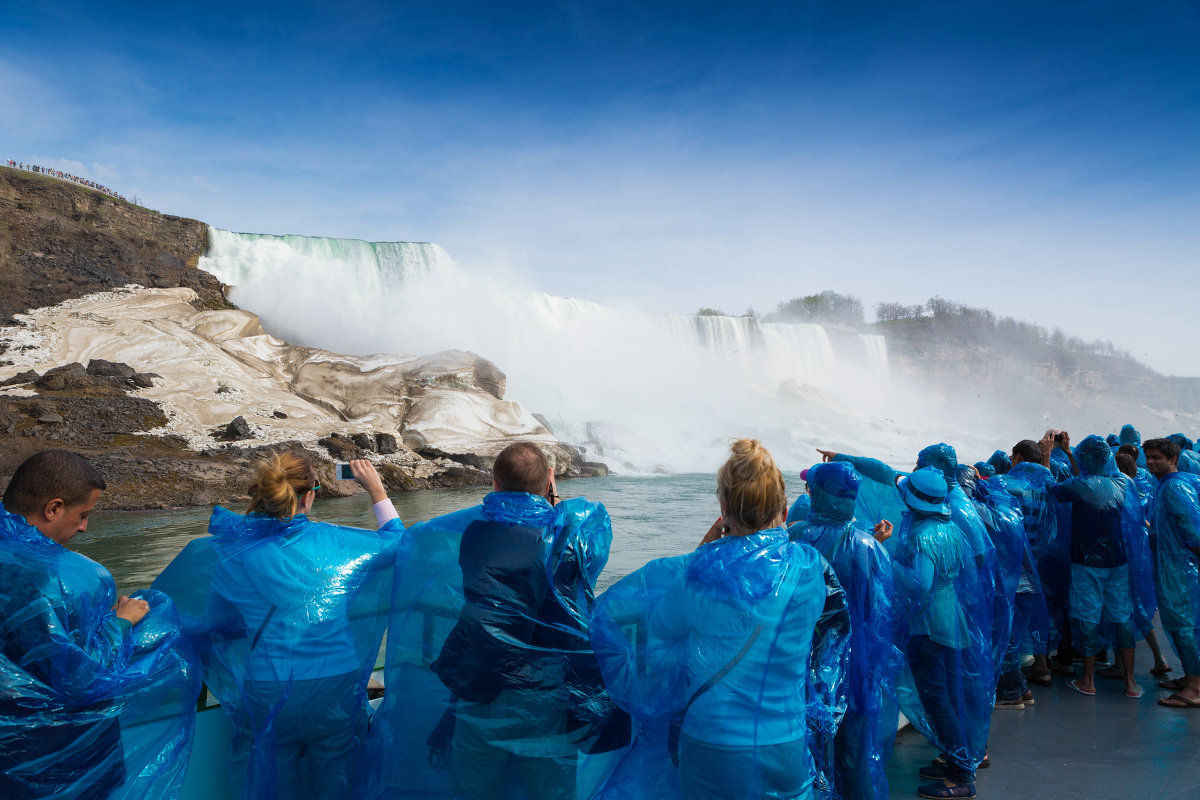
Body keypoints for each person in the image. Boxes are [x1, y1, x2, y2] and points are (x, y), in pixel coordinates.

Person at [590, 439, 850, 800]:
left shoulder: (698, 577)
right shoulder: (808, 568)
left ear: (723, 507)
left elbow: (661, 628)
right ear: (784, 506)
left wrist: (704, 553)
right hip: (784, 740)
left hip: (712, 740)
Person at [363, 441, 615, 800]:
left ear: (494, 485)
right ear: (549, 480)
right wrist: (552, 501)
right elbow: (589, 530)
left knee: (473, 783)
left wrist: (377, 493)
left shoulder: (476, 537)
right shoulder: (571, 543)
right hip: (547, 690)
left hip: (483, 683)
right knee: (551, 788)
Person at [154, 453, 402, 800]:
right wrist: (375, 488)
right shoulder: (340, 542)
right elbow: (399, 543)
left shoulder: (231, 554)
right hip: (336, 685)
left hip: (267, 687)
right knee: (339, 777)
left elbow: (218, 622)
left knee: (276, 782)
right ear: (310, 495)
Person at [0, 450, 198, 800]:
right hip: (66, 760)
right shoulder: (67, 576)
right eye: (83, 515)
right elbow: (83, 677)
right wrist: (120, 622)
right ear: (53, 508)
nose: (84, 527)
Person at [789, 461, 898, 800]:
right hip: (856, 661)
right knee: (853, 751)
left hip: (801, 657)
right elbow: (880, 614)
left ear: (817, 494)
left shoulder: (793, 537)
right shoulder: (868, 547)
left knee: (808, 749)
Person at [890, 466, 993, 799]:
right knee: (948, 695)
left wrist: (886, 559)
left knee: (938, 701)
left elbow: (920, 585)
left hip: (930, 625)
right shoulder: (948, 528)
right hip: (951, 618)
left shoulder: (922, 536)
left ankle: (961, 775)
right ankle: (954, 759)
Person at [1048, 434, 1154, 700]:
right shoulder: (1123, 482)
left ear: (1084, 459)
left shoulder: (1078, 485)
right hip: (1119, 561)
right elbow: (1098, 477)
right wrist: (1071, 454)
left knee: (1087, 617)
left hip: (1086, 562)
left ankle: (1088, 680)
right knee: (1122, 616)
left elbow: (1051, 488)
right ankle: (1130, 683)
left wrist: (1049, 453)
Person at [1142, 438, 1200, 708]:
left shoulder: (1174, 487)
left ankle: (1195, 688)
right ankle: (1191, 676)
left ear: (1173, 460)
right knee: (1180, 627)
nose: (1151, 461)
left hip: (1181, 571)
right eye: (1148, 457)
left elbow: (1193, 533)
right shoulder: (1165, 486)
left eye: (1157, 457)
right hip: (1173, 567)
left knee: (1185, 627)